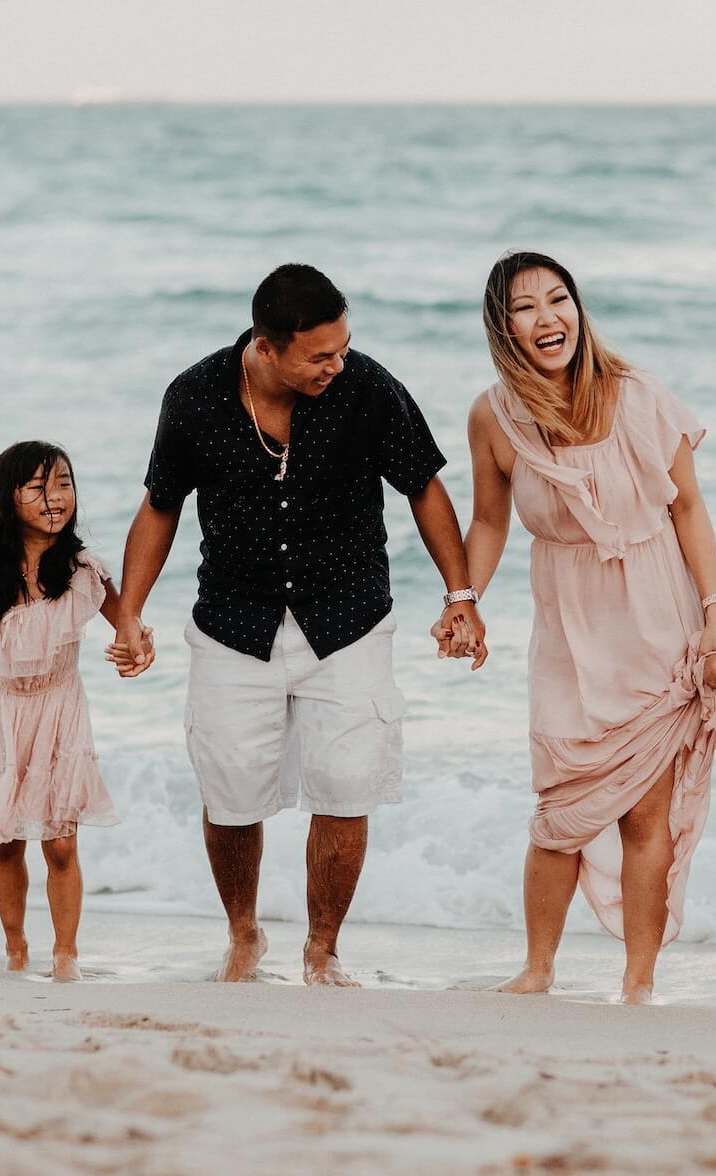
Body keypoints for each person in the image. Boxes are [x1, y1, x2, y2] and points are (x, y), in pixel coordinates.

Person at [108, 264, 482, 985]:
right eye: (320, 355)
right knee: (230, 789)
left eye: (343, 348)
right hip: (231, 621)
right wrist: (128, 613)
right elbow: (160, 506)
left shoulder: (367, 387)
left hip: (348, 617)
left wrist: (459, 593)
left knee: (347, 786)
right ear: (267, 347)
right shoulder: (194, 397)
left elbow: (423, 484)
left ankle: (323, 950)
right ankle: (243, 935)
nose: (336, 365)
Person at [440, 250, 716, 1004]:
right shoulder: (494, 416)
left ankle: (638, 981)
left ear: (579, 307)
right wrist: (463, 597)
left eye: (559, 299)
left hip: (655, 610)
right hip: (567, 626)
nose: (548, 319)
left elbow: (688, 509)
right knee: (559, 804)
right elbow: (485, 518)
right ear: (502, 327)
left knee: (645, 810)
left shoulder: (639, 396)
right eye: (526, 307)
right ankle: (537, 969)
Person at [0, 440, 138, 982]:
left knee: (61, 839)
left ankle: (66, 956)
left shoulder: (84, 570)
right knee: (9, 838)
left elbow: (126, 625)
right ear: (8, 499)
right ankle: (15, 948)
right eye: (37, 488)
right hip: (3, 713)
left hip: (61, 707)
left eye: (63, 484)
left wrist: (136, 648)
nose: (54, 498)